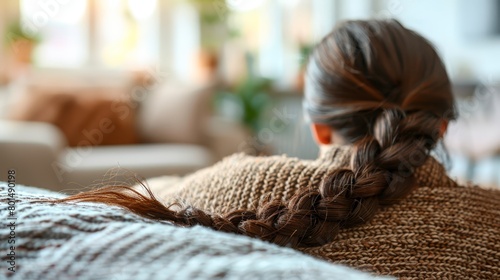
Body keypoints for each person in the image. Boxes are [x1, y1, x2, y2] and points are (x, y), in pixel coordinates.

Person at [57, 19, 500, 278]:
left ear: (319, 128)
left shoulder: (229, 185)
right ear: (440, 127)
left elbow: (143, 197)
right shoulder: (490, 224)